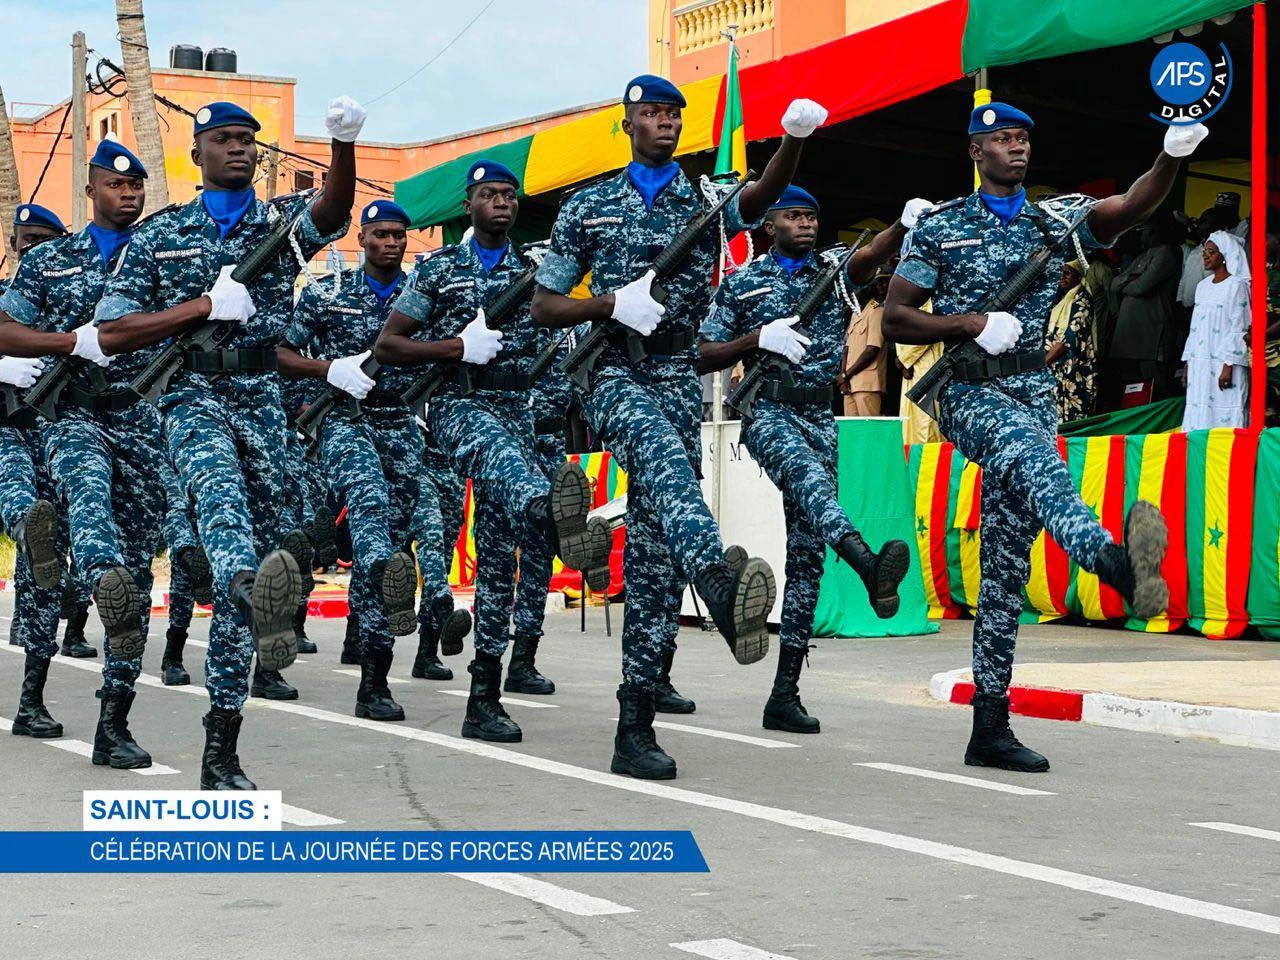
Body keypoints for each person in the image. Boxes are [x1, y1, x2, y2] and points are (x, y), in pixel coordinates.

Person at [883, 102, 1206, 773]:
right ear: (976, 152)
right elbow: (897, 317)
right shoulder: (944, 227)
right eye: (1001, 139)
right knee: (1039, 469)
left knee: (1006, 566)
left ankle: (989, 728)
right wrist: (970, 324)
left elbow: (1134, 205)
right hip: (970, 391)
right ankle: (1112, 562)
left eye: (1023, 137)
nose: (1016, 147)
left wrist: (1173, 153)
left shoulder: (1056, 218)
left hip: (1034, 391)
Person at [531, 74, 828, 780]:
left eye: (673, 116)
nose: (664, 125)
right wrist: (608, 304)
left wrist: (792, 141)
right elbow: (545, 306)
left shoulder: (706, 202)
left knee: (656, 555)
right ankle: (721, 589)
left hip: (674, 375)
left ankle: (634, 727)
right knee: (665, 470)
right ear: (627, 123)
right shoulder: (591, 206)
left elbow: (757, 200)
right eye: (653, 114)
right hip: (611, 373)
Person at [93, 96, 364, 788]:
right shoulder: (161, 236)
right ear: (198, 155)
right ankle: (243, 587)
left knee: (256, 570)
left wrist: (341, 143)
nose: (240, 149)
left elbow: (331, 215)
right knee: (223, 513)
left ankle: (222, 747)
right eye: (225, 139)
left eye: (249, 140)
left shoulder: (279, 226)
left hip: (263, 399)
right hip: (191, 394)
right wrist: (201, 308)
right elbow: (111, 334)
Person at [376, 159, 611, 744]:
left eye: (509, 195)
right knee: (516, 479)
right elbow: (390, 345)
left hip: (522, 412)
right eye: (490, 195)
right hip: (460, 406)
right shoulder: (439, 268)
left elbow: (562, 334)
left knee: (501, 563)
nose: (502, 203)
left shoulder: (538, 274)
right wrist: (457, 345)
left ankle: (484, 699)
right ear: (469, 204)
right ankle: (560, 521)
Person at [700, 186, 922, 734]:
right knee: (810, 484)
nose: (806, 225)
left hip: (818, 415)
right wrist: (757, 340)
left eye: (813, 217)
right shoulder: (743, 284)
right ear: (768, 225)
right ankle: (869, 564)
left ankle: (785, 694)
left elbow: (867, 258)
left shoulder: (833, 272)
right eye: (794, 216)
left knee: (806, 555)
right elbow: (704, 351)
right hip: (768, 412)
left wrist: (900, 223)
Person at [0, 145, 170, 769]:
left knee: (131, 565)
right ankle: (32, 696)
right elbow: (3, 328)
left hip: (141, 420)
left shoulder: (164, 255)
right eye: (116, 184)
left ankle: (113, 724)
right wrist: (71, 342)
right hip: (68, 416)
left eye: (137, 185)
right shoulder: (50, 263)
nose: (129, 193)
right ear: (92, 188)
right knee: (87, 525)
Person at [278, 199, 423, 721]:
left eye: (399, 235)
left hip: (402, 424)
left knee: (387, 550)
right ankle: (374, 683)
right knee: (369, 520)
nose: (391, 243)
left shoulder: (421, 295)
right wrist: (329, 369)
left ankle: (372, 668)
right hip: (344, 420)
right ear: (361, 239)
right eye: (381, 234)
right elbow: (281, 354)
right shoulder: (327, 294)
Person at [0, 203, 75, 738]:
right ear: (12, 245)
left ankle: (31, 701)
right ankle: (26, 529)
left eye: (44, 243)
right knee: (21, 502)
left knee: (44, 576)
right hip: (4, 431)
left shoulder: (67, 306)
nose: (33, 252)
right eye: (26, 242)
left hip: (51, 434)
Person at [408, 417, 472, 681]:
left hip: (451, 468)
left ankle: (427, 652)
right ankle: (444, 609)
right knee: (430, 538)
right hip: (417, 463)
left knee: (443, 558)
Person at [1106, 214, 1184, 403]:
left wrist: (1130, 281)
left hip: (1151, 332)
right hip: (1130, 334)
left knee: (1155, 385)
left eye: (1144, 231)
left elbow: (1141, 287)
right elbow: (1114, 284)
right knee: (1130, 387)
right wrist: (1130, 279)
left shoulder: (1167, 253)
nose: (1142, 236)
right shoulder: (1142, 256)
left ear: (1154, 232)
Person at [1180, 231, 1251, 431]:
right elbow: (1195, 329)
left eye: (1211, 252)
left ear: (1225, 255)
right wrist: (1188, 364)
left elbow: (1240, 328)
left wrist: (1228, 365)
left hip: (1224, 362)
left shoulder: (1236, 286)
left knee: (1225, 409)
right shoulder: (1202, 287)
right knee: (1199, 409)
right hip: (1200, 361)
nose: (1205, 256)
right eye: (1205, 252)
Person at [1045, 260, 1098, 422]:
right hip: (1058, 367)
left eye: (1067, 273)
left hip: (1073, 370)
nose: (1061, 277)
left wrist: (1042, 362)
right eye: (1060, 273)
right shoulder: (1063, 298)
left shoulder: (1082, 299)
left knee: (1071, 418)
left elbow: (1070, 337)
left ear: (1079, 275)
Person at [838, 265, 891, 416]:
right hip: (849, 384)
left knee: (869, 432)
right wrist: (843, 376)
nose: (853, 294)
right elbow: (846, 349)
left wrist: (845, 375)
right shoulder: (856, 314)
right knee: (852, 433)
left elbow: (872, 349)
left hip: (867, 383)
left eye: (857, 291)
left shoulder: (877, 311)